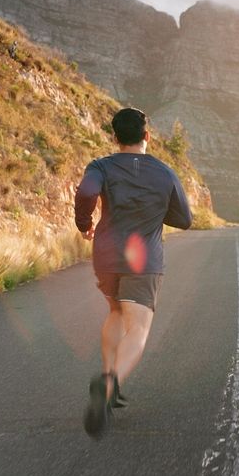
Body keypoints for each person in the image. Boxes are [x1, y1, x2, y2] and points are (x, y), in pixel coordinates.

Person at [74, 107, 193, 437]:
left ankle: (109, 377)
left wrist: (85, 224)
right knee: (137, 328)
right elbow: (184, 219)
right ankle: (110, 385)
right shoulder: (165, 173)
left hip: (107, 254)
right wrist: (154, 210)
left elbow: (86, 192)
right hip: (144, 260)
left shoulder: (101, 166)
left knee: (115, 311)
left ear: (115, 137)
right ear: (147, 136)